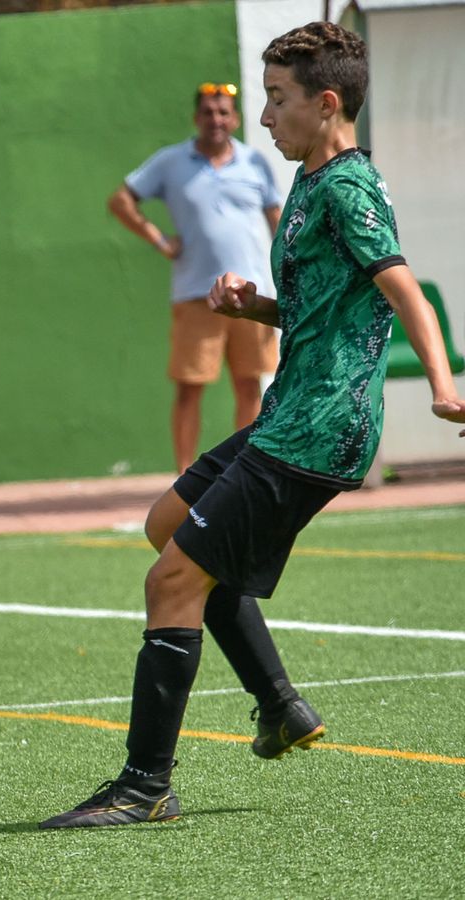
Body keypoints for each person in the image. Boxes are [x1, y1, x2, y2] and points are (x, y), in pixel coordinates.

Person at [42, 22, 465, 829]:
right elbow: (323, 307)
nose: (263, 116)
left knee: (173, 580)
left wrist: (444, 389)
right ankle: (278, 705)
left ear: (326, 103)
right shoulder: (309, 178)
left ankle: (144, 786)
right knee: (167, 528)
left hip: (319, 426)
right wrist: (255, 306)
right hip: (291, 413)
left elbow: (403, 288)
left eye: (277, 98)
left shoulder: (346, 188)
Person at [109, 82, 283, 473]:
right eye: (207, 112)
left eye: (223, 112)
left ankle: (244, 472)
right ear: (195, 118)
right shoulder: (171, 162)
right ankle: (184, 476)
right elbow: (121, 201)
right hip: (196, 295)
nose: (215, 120)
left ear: (235, 119)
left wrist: (289, 270)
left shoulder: (255, 163)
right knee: (190, 388)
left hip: (252, 297)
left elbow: (277, 219)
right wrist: (159, 239)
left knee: (250, 385)